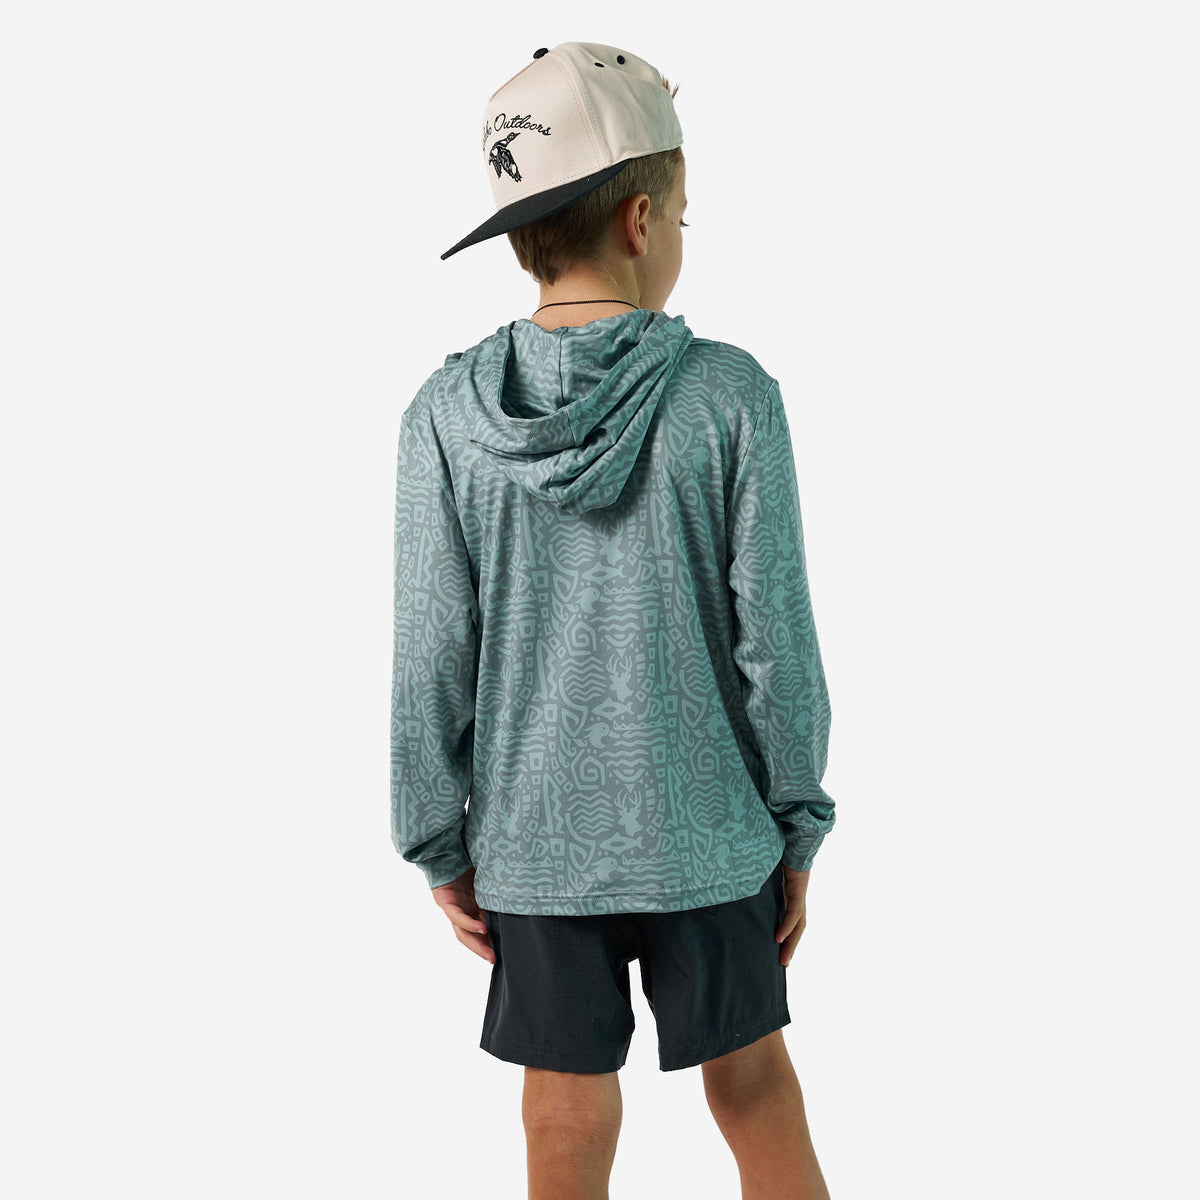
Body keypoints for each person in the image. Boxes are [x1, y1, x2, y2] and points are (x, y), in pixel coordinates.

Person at [392, 42, 836, 1200]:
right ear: (643, 220)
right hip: (711, 833)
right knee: (754, 1090)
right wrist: (796, 820)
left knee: (561, 1111)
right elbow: (776, 641)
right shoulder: (729, 397)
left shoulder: (444, 417)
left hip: (537, 845)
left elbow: (432, 648)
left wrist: (439, 839)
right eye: (684, 212)